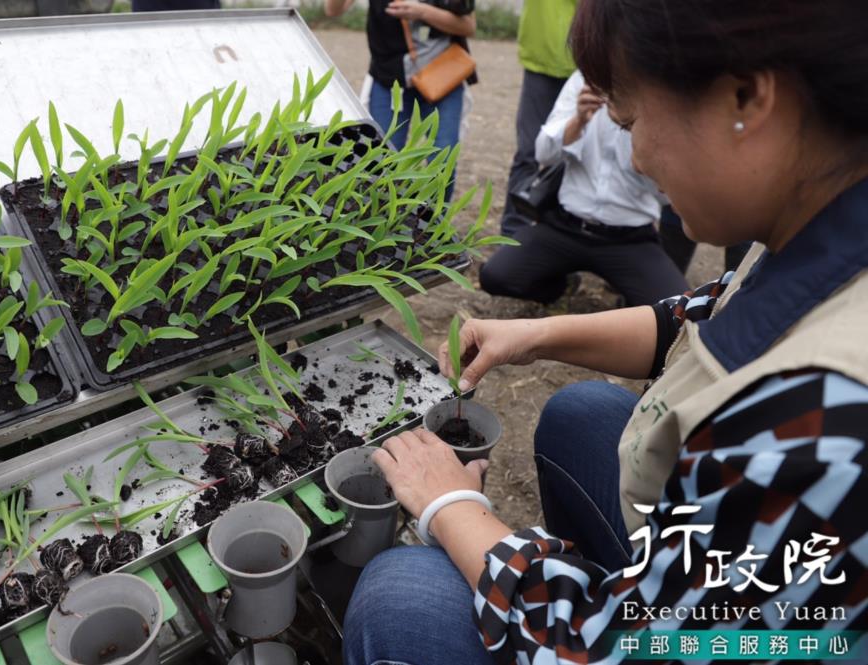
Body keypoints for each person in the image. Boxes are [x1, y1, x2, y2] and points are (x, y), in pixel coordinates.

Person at [344, 1, 868, 663]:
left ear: (746, 96)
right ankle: (619, 576)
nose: (639, 156)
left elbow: (625, 649)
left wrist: (448, 504)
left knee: (401, 589)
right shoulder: (822, 234)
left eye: (636, 119)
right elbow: (695, 315)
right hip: (709, 582)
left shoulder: (824, 425)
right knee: (583, 410)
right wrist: (531, 338)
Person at [480, 70, 688, 307]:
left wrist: (630, 125)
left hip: (629, 236)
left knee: (676, 308)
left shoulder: (660, 92)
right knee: (495, 275)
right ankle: (562, 287)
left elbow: (663, 194)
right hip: (564, 225)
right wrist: (578, 121)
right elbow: (543, 153)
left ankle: (628, 308)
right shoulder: (584, 80)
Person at [325, 0, 476, 183]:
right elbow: (333, 10)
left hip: (443, 77)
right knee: (382, 159)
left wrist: (422, 12)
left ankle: (436, 212)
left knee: (443, 159)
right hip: (388, 77)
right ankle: (386, 211)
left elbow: (468, 26)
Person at [500, 0, 577, 238]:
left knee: (574, 158)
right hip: (540, 61)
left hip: (584, 66)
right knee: (528, 152)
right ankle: (514, 235)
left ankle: (559, 239)